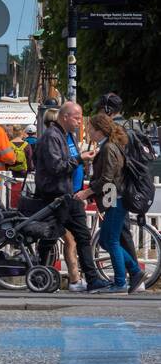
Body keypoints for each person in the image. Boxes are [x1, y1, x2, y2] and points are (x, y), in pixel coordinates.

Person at [30, 102, 109, 293]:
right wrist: (80, 159)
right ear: (64, 117)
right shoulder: (51, 137)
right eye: (76, 118)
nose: (80, 121)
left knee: (80, 237)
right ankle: (38, 274)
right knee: (49, 237)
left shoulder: (68, 136)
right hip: (55, 197)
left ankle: (91, 279)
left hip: (68, 196)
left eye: (81, 118)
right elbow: (56, 166)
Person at [79, 113, 145, 294]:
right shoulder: (108, 146)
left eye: (91, 129)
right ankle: (134, 270)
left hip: (116, 197)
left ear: (99, 130)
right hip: (114, 197)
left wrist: (87, 192)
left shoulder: (108, 148)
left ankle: (121, 281)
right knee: (107, 241)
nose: (88, 132)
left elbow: (107, 179)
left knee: (111, 240)